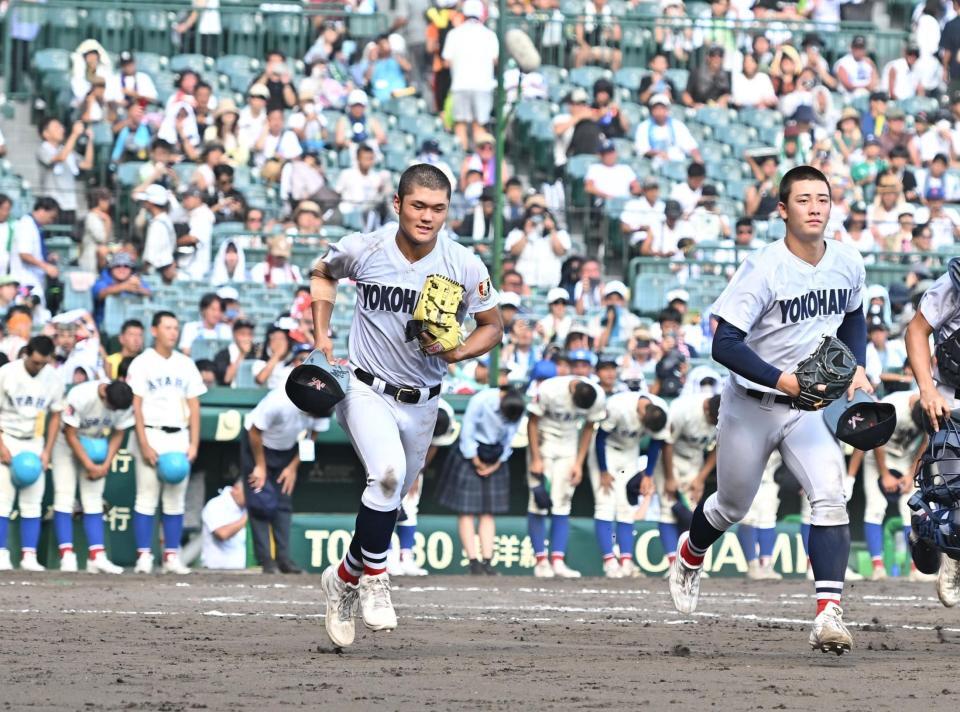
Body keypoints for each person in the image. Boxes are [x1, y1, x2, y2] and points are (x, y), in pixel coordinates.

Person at [670, 165, 870, 655]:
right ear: (782, 210)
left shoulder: (847, 260)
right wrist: (782, 379)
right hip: (751, 404)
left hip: (807, 408)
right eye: (803, 200)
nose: (815, 208)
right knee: (732, 505)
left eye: (822, 199)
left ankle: (828, 615)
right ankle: (690, 553)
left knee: (830, 495)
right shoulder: (764, 267)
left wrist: (857, 367)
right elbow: (724, 343)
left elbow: (855, 316)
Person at [311, 164, 501, 648]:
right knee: (388, 476)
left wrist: (459, 351)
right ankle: (376, 577)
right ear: (397, 204)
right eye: (418, 205)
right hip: (365, 385)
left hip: (424, 401)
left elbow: (492, 325)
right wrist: (321, 338)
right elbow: (322, 271)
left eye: (437, 208)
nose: (427, 216)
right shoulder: (365, 247)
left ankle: (343, 579)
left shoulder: (463, 264)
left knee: (391, 503)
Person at [127, 312, 207, 575]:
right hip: (151, 433)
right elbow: (135, 407)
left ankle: (171, 556)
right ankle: (144, 557)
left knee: (175, 500)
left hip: (179, 435)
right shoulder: (141, 363)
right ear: (154, 330)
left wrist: (194, 443)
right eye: (167, 327)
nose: (173, 332)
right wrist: (144, 443)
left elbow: (194, 406)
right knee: (146, 498)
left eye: (176, 327)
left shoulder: (186, 363)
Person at [435, 387, 524, 573]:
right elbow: (467, 431)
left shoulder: (516, 407)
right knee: (467, 511)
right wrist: (475, 460)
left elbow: (509, 439)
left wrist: (496, 464)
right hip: (469, 454)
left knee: (488, 512)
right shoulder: (482, 400)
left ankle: (487, 562)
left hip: (496, 456)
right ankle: (473, 561)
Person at [526, 374, 606, 578]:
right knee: (539, 501)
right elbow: (532, 422)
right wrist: (535, 457)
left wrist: (579, 463)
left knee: (562, 502)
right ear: (572, 390)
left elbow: (589, 427)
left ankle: (558, 561)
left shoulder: (597, 396)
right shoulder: (549, 389)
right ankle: (541, 561)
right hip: (544, 442)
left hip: (569, 446)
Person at [50, 379, 133, 574]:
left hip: (96, 444)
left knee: (94, 500)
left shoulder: (123, 402)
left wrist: (104, 465)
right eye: (111, 407)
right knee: (64, 496)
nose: (113, 411)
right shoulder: (81, 395)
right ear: (104, 392)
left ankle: (97, 556)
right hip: (66, 445)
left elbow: (119, 433)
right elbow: (70, 433)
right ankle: (67, 555)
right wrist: (89, 465)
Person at [846, 391, 928, 582]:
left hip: (906, 458)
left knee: (913, 510)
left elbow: (926, 442)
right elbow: (875, 438)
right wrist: (884, 474)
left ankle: (916, 567)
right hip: (878, 457)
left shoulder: (929, 405)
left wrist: (911, 474)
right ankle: (877, 567)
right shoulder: (892, 405)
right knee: (876, 507)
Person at [243, 386, 327, 573]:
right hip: (258, 446)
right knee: (261, 503)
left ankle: (283, 559)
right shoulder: (279, 401)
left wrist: (292, 467)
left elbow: (312, 436)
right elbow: (254, 431)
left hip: (287, 449)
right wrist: (260, 466)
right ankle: (266, 561)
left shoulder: (324, 404)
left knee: (283, 501)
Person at [0, 336, 64, 571]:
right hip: (7, 436)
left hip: (34, 442)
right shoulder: (6, 373)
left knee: (32, 503)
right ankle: (1, 553)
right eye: (36, 362)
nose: (39, 367)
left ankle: (29, 556)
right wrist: (1, 446)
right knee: (2, 501)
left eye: (43, 363)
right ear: (26, 353)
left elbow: (56, 413)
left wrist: (47, 450)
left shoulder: (53, 377)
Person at [592, 390, 670, 578]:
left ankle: (626, 561)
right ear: (642, 413)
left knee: (626, 506)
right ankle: (610, 562)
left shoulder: (661, 408)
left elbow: (655, 444)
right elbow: (600, 438)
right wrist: (603, 470)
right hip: (607, 451)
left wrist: (648, 475)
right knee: (605, 504)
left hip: (629, 454)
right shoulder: (618, 406)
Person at [656, 393, 719, 566]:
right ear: (706, 408)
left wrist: (701, 478)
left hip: (695, 461)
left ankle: (685, 562)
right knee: (668, 509)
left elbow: (719, 448)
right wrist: (669, 478)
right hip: (671, 459)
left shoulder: (726, 415)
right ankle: (671, 563)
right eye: (713, 419)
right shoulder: (683, 409)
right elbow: (667, 443)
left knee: (692, 512)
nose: (715, 423)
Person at [441, 0, 498, 149]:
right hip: (483, 85)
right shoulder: (489, 34)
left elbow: (447, 62)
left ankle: (462, 160)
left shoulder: (454, 33)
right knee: (478, 125)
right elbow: (495, 60)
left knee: (460, 124)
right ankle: (480, 165)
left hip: (460, 84)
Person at [36, 118, 94, 225]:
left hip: (70, 203)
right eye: (57, 127)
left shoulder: (67, 150)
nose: (62, 129)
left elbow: (87, 164)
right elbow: (61, 157)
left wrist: (90, 140)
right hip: (52, 204)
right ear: (46, 133)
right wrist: (74, 134)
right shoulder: (43, 149)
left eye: (61, 127)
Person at [504, 207, 570, 290]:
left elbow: (560, 251)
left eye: (541, 215)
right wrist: (526, 233)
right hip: (525, 285)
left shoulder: (560, 233)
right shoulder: (517, 233)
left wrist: (552, 229)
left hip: (551, 284)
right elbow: (513, 252)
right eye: (533, 215)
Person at [10, 196, 59, 305]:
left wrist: (48, 257)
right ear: (42, 210)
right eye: (51, 217)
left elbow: (34, 252)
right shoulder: (26, 225)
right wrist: (46, 267)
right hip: (25, 281)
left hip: (33, 279)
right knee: (27, 312)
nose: (51, 221)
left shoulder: (35, 226)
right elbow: (24, 254)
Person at [635, 94, 701, 165]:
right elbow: (642, 149)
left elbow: (691, 146)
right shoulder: (644, 126)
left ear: (667, 110)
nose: (659, 112)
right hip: (654, 163)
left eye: (662, 108)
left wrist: (697, 159)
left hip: (677, 163)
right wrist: (659, 153)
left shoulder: (678, 125)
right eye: (656, 108)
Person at [91, 252, 151, 328]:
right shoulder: (103, 280)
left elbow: (149, 293)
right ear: (111, 268)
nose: (122, 269)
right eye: (117, 266)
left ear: (131, 269)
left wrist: (138, 289)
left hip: (131, 326)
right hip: (105, 327)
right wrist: (123, 287)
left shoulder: (135, 280)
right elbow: (99, 293)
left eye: (126, 266)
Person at [201, 478, 247, 570]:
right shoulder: (216, 505)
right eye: (248, 493)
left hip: (241, 570)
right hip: (214, 571)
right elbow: (222, 534)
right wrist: (246, 517)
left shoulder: (244, 508)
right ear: (236, 489)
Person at [135, 184, 177, 283]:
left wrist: (140, 274)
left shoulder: (157, 225)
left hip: (155, 275)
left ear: (151, 202)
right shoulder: (165, 220)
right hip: (163, 271)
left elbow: (150, 258)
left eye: (145, 201)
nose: (144, 203)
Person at [177, 186, 215, 281]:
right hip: (187, 265)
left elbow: (193, 238)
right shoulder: (192, 213)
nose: (184, 201)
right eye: (184, 197)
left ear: (198, 198)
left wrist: (172, 242)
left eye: (187, 197)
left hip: (195, 268)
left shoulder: (203, 215)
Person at [80, 187, 113, 274]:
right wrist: (107, 221)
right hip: (91, 261)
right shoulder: (92, 217)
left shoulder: (100, 216)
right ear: (100, 201)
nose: (109, 204)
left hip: (98, 261)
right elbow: (102, 238)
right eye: (107, 200)